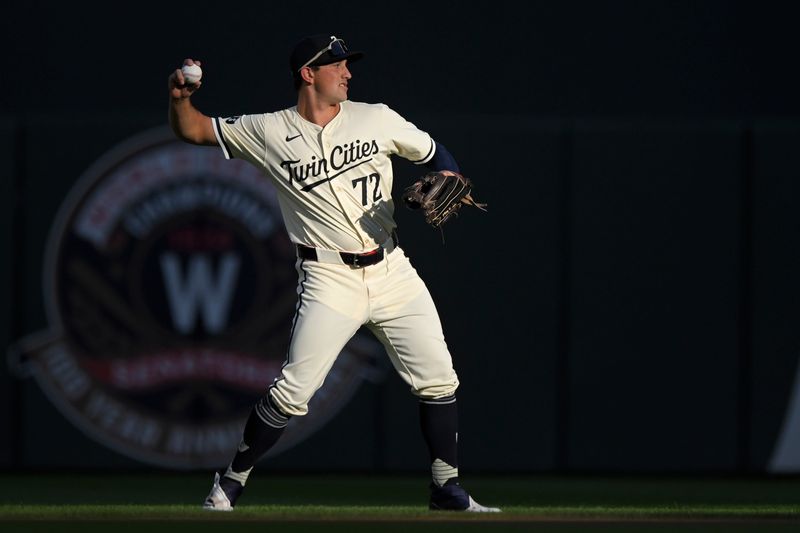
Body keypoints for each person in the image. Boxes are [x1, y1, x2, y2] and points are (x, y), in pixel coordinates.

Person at [167, 33, 500, 513]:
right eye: (337, 65)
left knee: (439, 379)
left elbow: (432, 153)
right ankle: (230, 484)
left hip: (391, 269)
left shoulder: (376, 117)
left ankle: (446, 488)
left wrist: (448, 174)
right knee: (293, 391)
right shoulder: (268, 130)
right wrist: (181, 99)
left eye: (348, 65)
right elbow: (195, 130)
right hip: (328, 279)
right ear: (308, 73)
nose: (348, 73)